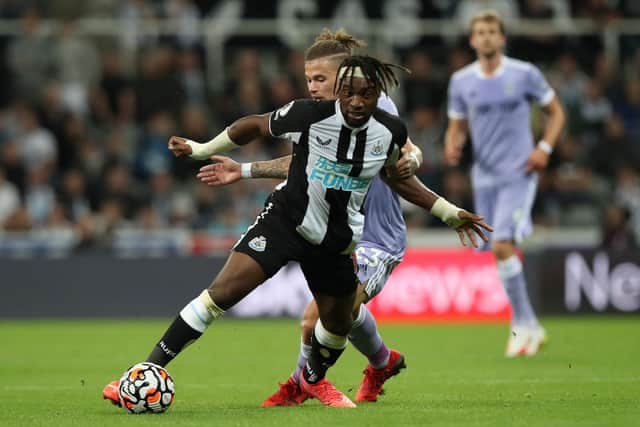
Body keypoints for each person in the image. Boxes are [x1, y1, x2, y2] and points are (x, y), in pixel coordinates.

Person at [102, 54, 486, 408]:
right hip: (286, 222)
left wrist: (450, 213)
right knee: (220, 294)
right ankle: (139, 374)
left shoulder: (389, 131)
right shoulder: (308, 115)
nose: (355, 102)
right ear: (340, 92)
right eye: (348, 93)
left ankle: (312, 379)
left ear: (376, 96)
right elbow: (251, 125)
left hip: (334, 242)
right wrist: (203, 149)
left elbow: (397, 178)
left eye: (364, 95)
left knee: (336, 324)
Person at [444, 10, 566, 357]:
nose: (485, 37)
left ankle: (526, 326)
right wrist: (452, 142)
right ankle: (525, 325)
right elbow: (457, 124)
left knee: (501, 246)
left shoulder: (524, 74)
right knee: (499, 253)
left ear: (502, 38)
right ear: (472, 40)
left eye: (491, 31)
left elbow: (556, 112)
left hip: (519, 172)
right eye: (479, 32)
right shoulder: (461, 81)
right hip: (484, 177)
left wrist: (544, 148)